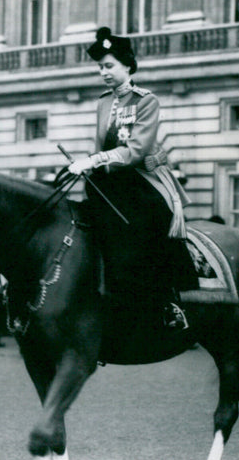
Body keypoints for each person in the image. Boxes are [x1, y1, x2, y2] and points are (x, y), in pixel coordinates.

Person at [69, 27, 193, 332]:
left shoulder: (146, 101)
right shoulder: (101, 103)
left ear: (127, 66)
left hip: (143, 180)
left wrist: (96, 160)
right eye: (100, 67)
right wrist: (87, 165)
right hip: (110, 180)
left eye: (109, 66)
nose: (103, 72)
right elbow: (101, 145)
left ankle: (170, 301)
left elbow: (136, 150)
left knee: (151, 222)